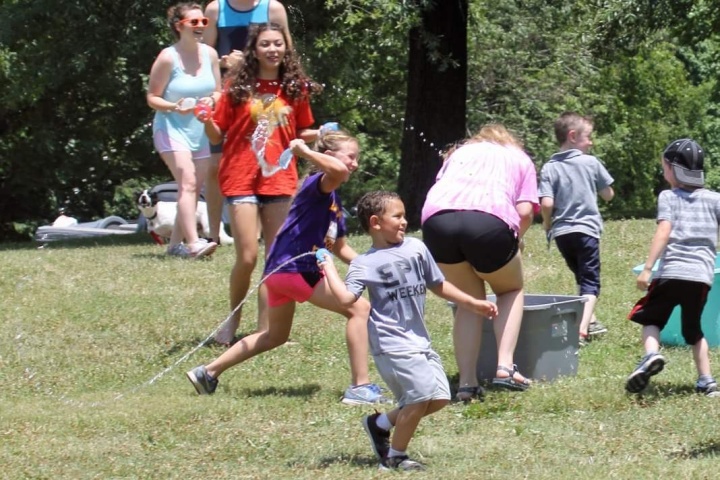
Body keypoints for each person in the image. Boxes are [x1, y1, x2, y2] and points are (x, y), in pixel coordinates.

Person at [187, 129, 389, 405]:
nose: (355, 163)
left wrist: (376, 266)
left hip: (281, 272)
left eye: (356, 158)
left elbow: (340, 247)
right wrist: (304, 151)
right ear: (328, 156)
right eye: (350, 157)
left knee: (274, 335)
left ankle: (207, 372)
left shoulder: (333, 200)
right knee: (358, 308)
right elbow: (339, 172)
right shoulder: (317, 184)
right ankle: (360, 387)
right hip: (295, 269)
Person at [320, 191, 498, 471]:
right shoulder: (363, 263)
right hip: (392, 342)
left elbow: (437, 284)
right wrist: (328, 266)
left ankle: (379, 424)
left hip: (419, 340)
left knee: (439, 398)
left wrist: (473, 303)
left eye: (404, 215)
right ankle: (395, 456)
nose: (405, 221)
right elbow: (345, 299)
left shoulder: (416, 247)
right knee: (417, 399)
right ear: (376, 222)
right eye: (398, 216)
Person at [196, 22, 321, 344]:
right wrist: (205, 120)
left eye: (278, 43)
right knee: (248, 256)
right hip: (240, 177)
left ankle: (268, 328)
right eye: (265, 44)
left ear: (285, 47)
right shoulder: (237, 85)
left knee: (277, 259)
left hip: (280, 179)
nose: (273, 49)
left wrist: (318, 136)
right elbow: (216, 133)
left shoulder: (296, 88)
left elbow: (303, 129)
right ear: (254, 49)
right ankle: (231, 322)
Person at [421, 124, 538, 401]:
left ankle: (467, 384)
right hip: (488, 219)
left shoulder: (459, 153)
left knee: (469, 301)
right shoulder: (520, 158)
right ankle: (505, 367)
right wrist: (516, 239)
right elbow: (524, 211)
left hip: (437, 221)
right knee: (509, 290)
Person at [626, 138, 720, 397]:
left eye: (664, 166)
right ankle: (707, 382)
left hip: (671, 273)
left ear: (673, 169)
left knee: (650, 317)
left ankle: (651, 356)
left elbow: (664, 230)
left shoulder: (668, 196)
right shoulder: (715, 200)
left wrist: (647, 268)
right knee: (695, 330)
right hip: (701, 277)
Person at [202, 0, 292, 247]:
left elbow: (287, 54)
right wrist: (224, 64)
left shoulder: (273, 8)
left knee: (263, 157)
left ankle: (259, 232)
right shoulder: (214, 9)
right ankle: (214, 233)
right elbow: (204, 56)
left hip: (265, 97)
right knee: (214, 165)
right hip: (228, 94)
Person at [146, 2, 222, 259]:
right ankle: (193, 244)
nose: (201, 26)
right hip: (170, 127)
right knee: (188, 182)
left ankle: (174, 246)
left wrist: (212, 101)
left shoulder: (210, 54)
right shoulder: (168, 57)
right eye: (194, 22)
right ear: (179, 26)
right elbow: (152, 97)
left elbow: (218, 92)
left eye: (204, 22)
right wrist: (173, 106)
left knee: (192, 187)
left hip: (199, 130)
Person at [539, 112, 615, 345]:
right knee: (591, 281)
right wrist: (604, 190)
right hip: (586, 231)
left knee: (581, 276)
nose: (591, 142)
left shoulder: (549, 168)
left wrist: (547, 223)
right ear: (573, 136)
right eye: (588, 137)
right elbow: (609, 195)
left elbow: (547, 203)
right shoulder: (591, 162)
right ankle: (581, 331)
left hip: (562, 234)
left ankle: (591, 319)